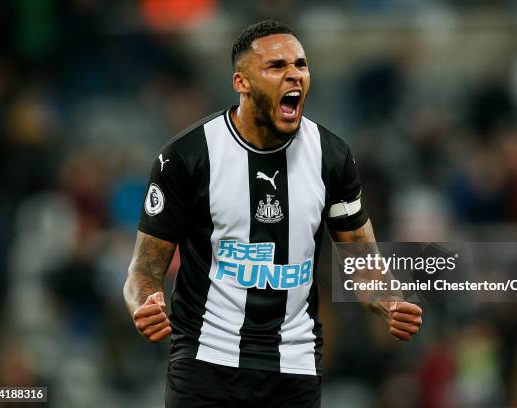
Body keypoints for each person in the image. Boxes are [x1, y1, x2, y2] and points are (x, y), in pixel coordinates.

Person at [123, 20, 423, 408]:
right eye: (277, 66)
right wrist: (145, 303)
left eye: (300, 64)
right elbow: (144, 269)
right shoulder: (187, 157)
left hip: (294, 367)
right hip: (205, 363)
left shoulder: (331, 157)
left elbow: (362, 261)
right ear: (241, 83)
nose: (294, 75)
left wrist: (390, 300)